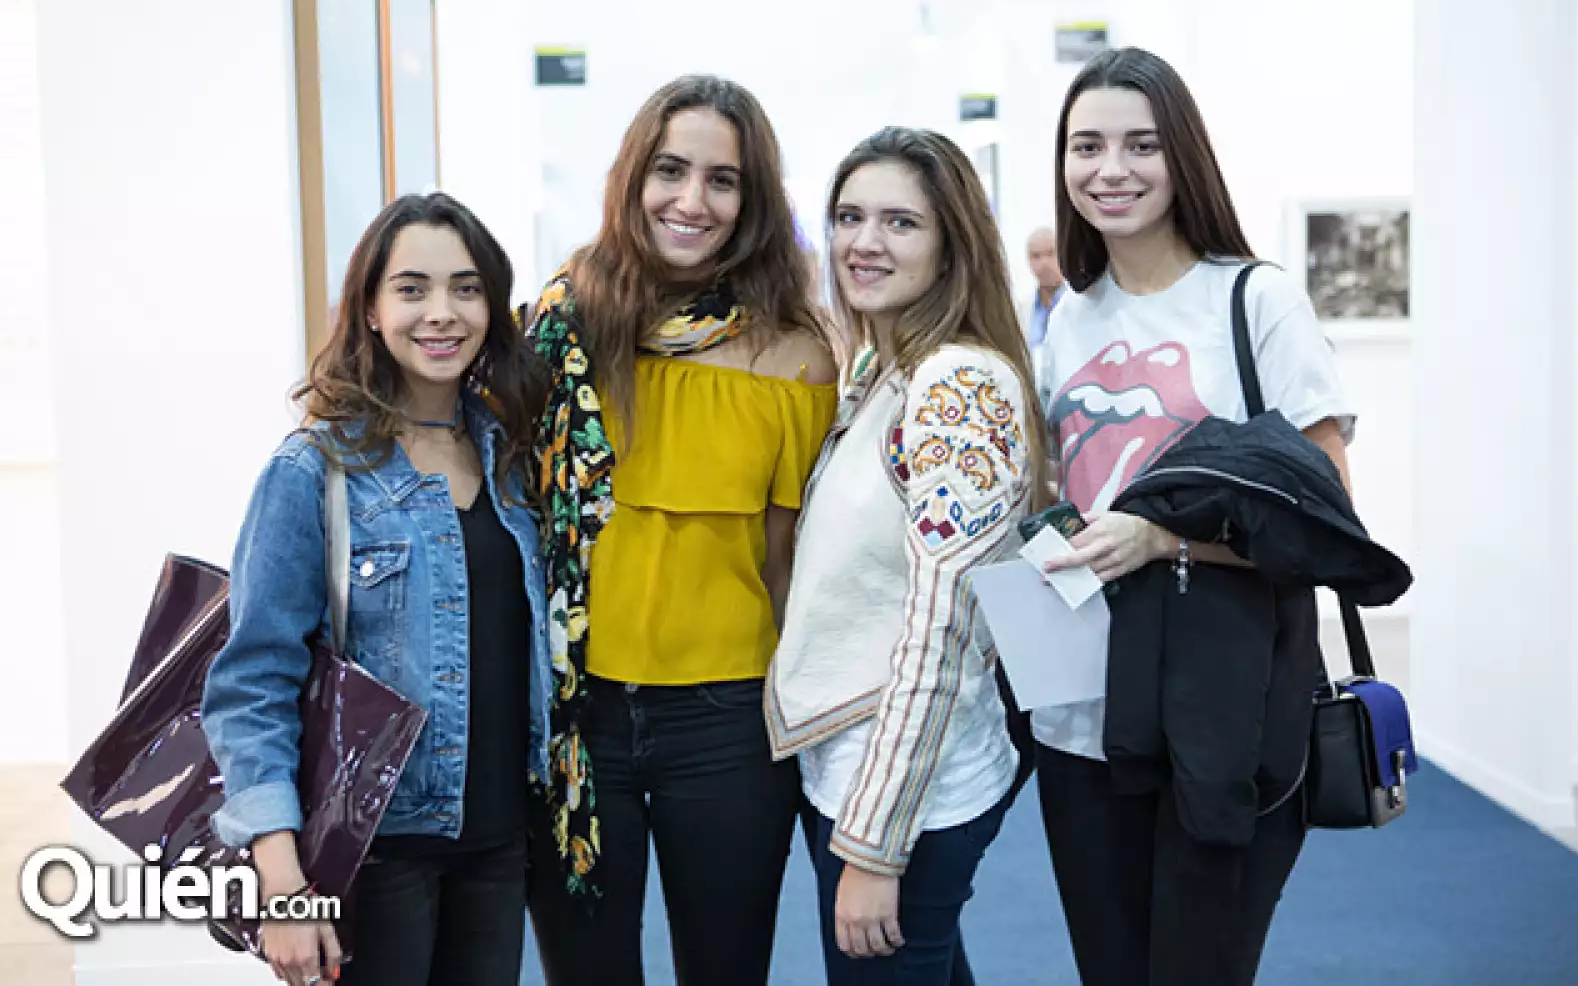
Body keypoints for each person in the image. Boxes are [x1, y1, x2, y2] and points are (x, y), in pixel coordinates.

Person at [1031, 46, 1357, 986]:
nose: (1110, 169)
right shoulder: (1072, 317)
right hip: (1084, 709)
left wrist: (1164, 537)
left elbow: (1329, 514)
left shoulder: (1254, 301)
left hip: (1223, 699)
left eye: (1140, 144)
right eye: (1086, 145)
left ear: (1184, 157)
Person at [523, 74, 838, 986]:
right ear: (633, 177)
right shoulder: (560, 326)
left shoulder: (795, 355)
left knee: (726, 970)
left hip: (730, 720)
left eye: (723, 179)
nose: (692, 200)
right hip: (576, 716)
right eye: (670, 169)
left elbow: (786, 561)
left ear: (753, 200)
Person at [201, 193, 554, 986]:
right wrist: (281, 879)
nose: (443, 313)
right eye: (412, 288)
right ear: (369, 307)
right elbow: (251, 683)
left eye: (466, 288)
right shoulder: (314, 470)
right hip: (370, 857)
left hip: (496, 851)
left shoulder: (508, 458)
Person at [765, 127, 1047, 984]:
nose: (864, 242)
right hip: (854, 759)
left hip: (898, 791)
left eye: (900, 222)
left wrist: (876, 845)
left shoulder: (958, 385)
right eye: (850, 216)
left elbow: (942, 628)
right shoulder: (883, 372)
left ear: (951, 244)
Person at [1023, 224, 1066, 351]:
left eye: (1051, 253)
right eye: (1036, 256)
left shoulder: (1081, 302)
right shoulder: (1022, 309)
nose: (1044, 263)